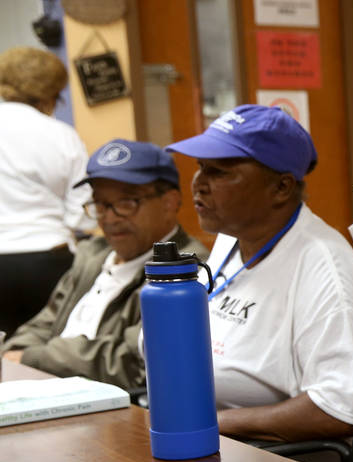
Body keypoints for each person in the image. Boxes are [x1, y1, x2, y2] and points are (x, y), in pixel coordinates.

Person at [165, 104, 353, 442]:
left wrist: (214, 423)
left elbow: (338, 409)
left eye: (220, 172)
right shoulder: (231, 239)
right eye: (200, 167)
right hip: (202, 436)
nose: (198, 184)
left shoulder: (327, 269)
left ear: (281, 188)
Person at [2, 140, 205, 390]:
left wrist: (32, 358)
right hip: (49, 386)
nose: (109, 218)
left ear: (170, 202)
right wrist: (15, 351)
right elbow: (45, 322)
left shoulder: (185, 269)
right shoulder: (93, 254)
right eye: (100, 204)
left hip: (109, 404)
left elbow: (135, 359)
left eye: (126, 203)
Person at [0, 46, 96, 335]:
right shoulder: (62, 136)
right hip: (49, 263)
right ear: (52, 92)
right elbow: (84, 217)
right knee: (44, 356)